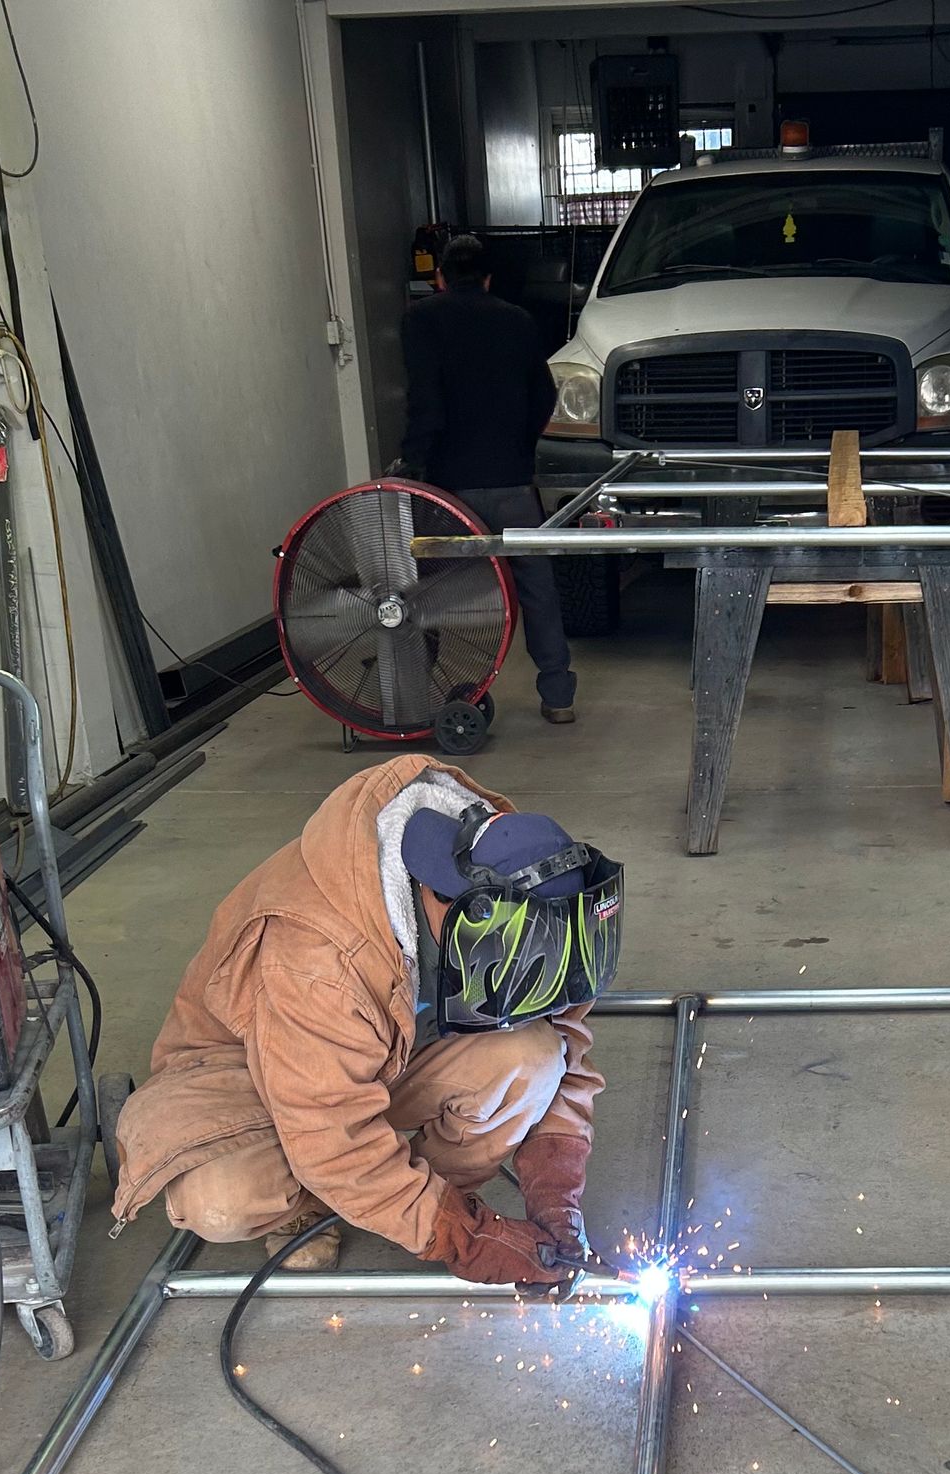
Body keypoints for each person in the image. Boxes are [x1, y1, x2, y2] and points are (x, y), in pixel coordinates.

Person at [111, 755, 621, 1284]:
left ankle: (403, 1196)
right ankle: (334, 1204)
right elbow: (329, 1129)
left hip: (381, 1054)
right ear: (442, 900)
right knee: (223, 1198)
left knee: (534, 1059)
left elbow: (565, 1050)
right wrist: (463, 1238)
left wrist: (556, 1196)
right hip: (248, 1069)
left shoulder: (535, 910)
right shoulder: (320, 956)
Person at [400, 233, 578, 724]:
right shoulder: (517, 320)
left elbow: (425, 402)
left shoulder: (420, 319)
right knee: (537, 586)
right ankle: (558, 695)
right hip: (511, 481)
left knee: (420, 589)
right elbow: (543, 395)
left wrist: (412, 461)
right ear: (488, 279)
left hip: (449, 489)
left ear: (440, 277)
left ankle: (417, 689)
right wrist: (520, 448)